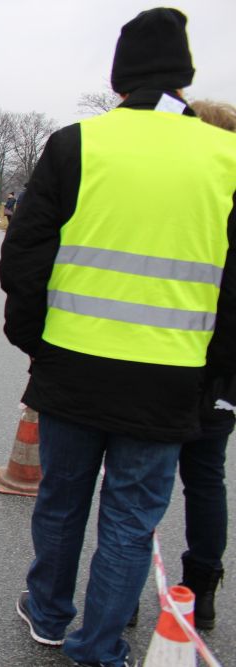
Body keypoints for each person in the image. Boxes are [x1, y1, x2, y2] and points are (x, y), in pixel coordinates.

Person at [0, 9, 236, 666]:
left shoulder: (77, 144)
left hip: (72, 364)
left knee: (61, 498)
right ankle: (99, 645)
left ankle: (48, 612)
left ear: (118, 78)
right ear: (185, 76)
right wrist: (216, 371)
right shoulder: (227, 156)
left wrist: (35, 341)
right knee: (132, 518)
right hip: (169, 375)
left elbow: (23, 257)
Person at [175, 97, 236, 631]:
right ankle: (202, 592)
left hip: (166, 360)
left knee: (134, 478)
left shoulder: (184, 198)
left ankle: (121, 596)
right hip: (222, 375)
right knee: (206, 479)